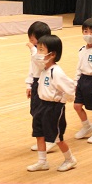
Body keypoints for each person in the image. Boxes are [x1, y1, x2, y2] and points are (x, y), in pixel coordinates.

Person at [27, 35, 78, 172]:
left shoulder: (56, 72)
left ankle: (70, 159)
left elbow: (71, 89)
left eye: (41, 50)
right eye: (38, 49)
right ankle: (42, 162)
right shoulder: (44, 69)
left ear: (52, 54)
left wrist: (62, 100)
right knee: (39, 133)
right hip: (42, 105)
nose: (38, 53)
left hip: (53, 108)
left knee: (57, 137)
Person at [24, 21, 55, 152]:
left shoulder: (44, 52)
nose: (30, 42)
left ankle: (50, 139)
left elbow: (41, 63)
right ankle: (42, 139)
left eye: (32, 39)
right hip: (36, 82)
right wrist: (29, 84)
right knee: (36, 112)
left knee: (45, 113)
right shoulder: (35, 52)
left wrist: (33, 49)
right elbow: (32, 68)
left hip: (45, 82)